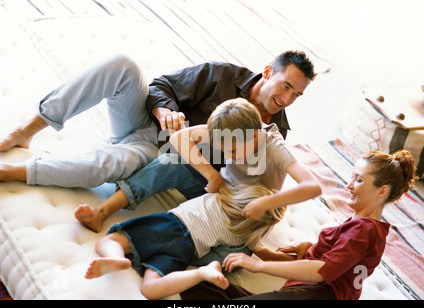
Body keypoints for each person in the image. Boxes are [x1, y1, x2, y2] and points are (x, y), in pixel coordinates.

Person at [0, 51, 316, 188]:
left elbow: (242, 178)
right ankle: (27, 131)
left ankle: (16, 172)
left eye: (296, 96)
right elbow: (159, 86)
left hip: (163, 156)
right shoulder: (221, 74)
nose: (286, 100)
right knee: (124, 65)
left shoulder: (275, 131)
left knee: (111, 166)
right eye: (286, 86)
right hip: (140, 118)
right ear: (267, 73)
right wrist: (164, 111)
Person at [180, 150, 419, 300]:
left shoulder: (364, 230)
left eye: (358, 180)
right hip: (305, 292)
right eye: (351, 176)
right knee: (198, 286)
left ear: (382, 191)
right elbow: (339, 261)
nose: (348, 185)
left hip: (317, 295)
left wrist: (256, 265)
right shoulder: (365, 228)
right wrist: (313, 249)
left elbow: (322, 271)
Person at [75, 98, 322, 234]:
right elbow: (178, 137)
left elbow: (313, 187)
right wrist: (212, 175)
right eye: (222, 148)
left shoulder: (275, 147)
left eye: (233, 151)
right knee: (172, 160)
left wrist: (264, 203)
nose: (228, 155)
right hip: (221, 192)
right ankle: (102, 212)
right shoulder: (229, 129)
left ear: (255, 135)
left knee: (215, 247)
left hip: (247, 212)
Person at [84, 183, 293, 300]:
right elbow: (259, 248)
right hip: (187, 249)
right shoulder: (242, 235)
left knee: (111, 240)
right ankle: (201, 272)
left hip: (169, 225)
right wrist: (284, 258)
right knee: (150, 288)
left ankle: (116, 257)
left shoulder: (218, 194)